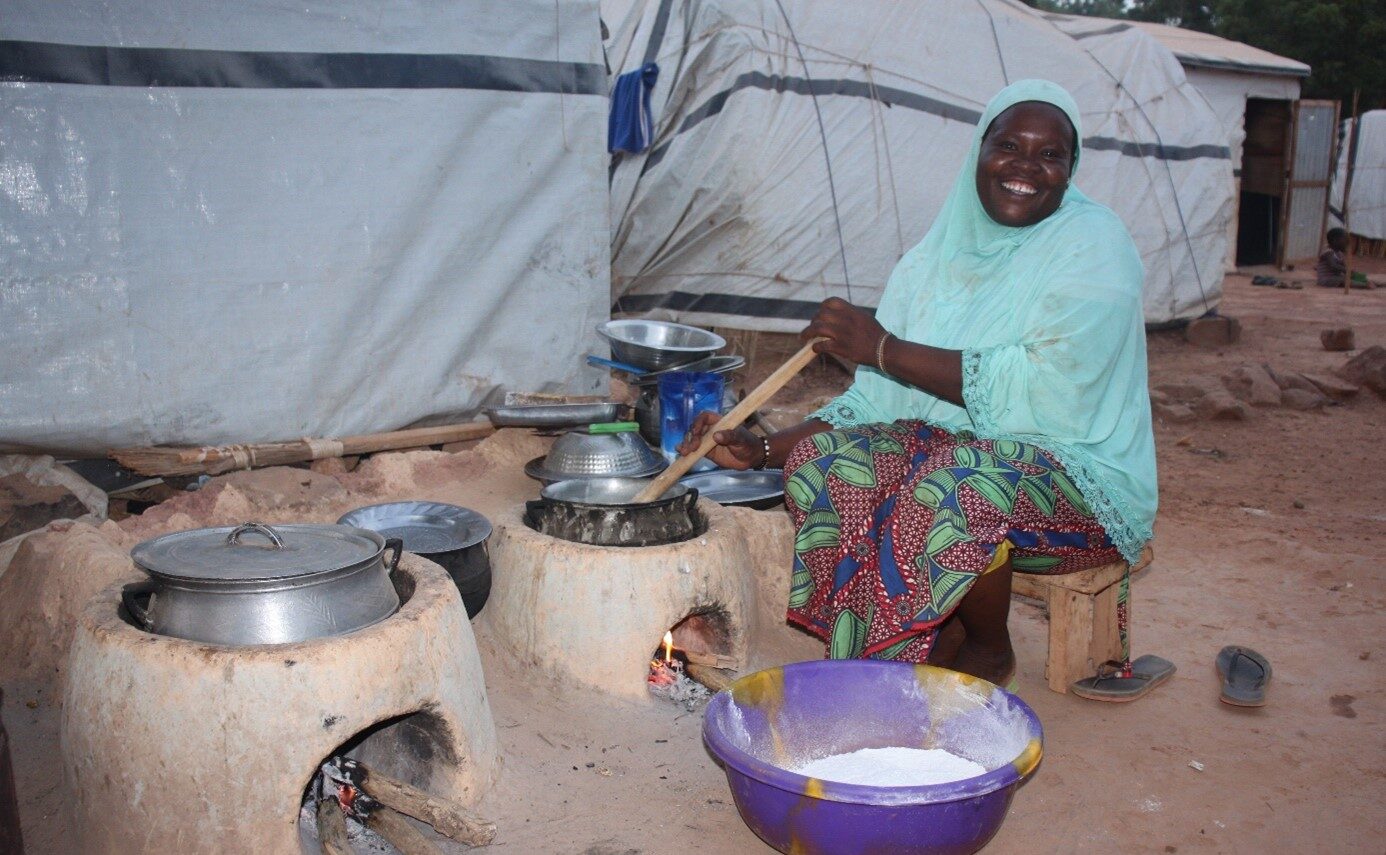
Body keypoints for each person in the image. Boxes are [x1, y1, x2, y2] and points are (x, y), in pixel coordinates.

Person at [678, 80, 1162, 698]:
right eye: (1009, 146)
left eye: (1050, 154)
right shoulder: (928, 263)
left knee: (955, 487)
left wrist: (883, 347)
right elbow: (876, 403)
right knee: (827, 466)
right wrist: (761, 451)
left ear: (1071, 170)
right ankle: (885, 659)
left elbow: (1050, 389)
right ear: (980, 152)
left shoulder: (1095, 246)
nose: (1025, 167)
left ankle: (988, 647)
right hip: (958, 464)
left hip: (1076, 479)